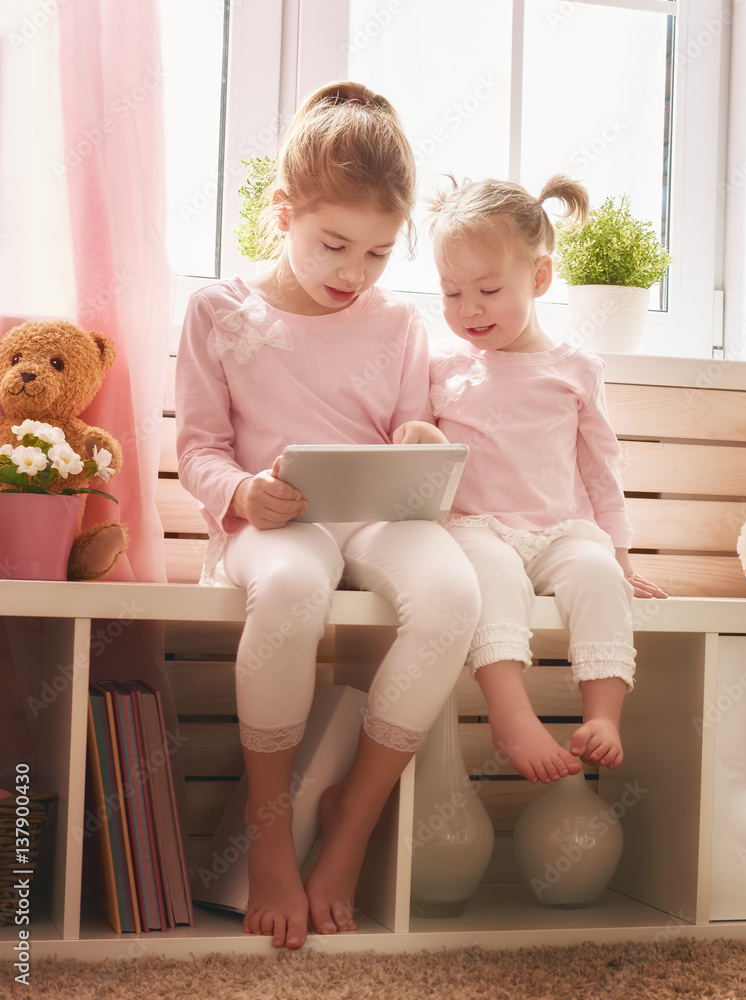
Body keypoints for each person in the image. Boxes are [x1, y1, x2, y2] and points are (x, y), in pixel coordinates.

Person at [175, 82, 479, 950]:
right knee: (295, 588)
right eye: (334, 244)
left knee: (453, 598)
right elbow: (197, 450)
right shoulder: (218, 311)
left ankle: (350, 821)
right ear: (283, 211)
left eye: (379, 254)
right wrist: (240, 493)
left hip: (376, 516)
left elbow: (408, 434)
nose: (354, 272)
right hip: (271, 526)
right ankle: (271, 836)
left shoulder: (399, 324)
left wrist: (420, 434)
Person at [422, 174, 667, 785]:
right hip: (477, 529)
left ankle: (604, 716)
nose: (468, 308)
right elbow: (420, 457)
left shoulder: (575, 368)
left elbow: (600, 469)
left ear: (539, 278)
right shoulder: (444, 368)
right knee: (495, 574)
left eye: (487, 289)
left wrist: (620, 556)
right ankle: (512, 717)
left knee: (598, 576)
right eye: (451, 292)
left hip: (562, 530)